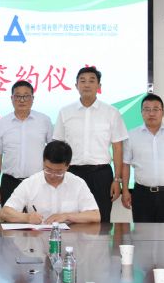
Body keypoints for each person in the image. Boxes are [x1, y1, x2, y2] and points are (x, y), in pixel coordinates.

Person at [53, 66, 128, 223]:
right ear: (76, 85)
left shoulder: (111, 112)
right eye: (83, 81)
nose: (87, 84)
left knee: (102, 219)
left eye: (91, 81)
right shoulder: (65, 112)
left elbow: (117, 148)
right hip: (72, 173)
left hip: (101, 175)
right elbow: (58, 146)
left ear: (99, 86)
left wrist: (117, 179)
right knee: (70, 219)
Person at [121, 94, 164, 229]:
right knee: (142, 236)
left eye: (155, 109)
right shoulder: (132, 135)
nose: (151, 113)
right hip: (142, 194)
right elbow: (126, 164)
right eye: (147, 109)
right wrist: (125, 191)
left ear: (162, 112)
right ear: (141, 113)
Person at [0, 140, 100, 224]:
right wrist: (27, 217)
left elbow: (95, 216)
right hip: (38, 238)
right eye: (48, 169)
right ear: (43, 162)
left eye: (59, 172)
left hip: (70, 238)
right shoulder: (30, 183)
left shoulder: (78, 183)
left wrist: (67, 216)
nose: (52, 175)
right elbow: (4, 213)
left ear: (67, 166)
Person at [0, 80, 53, 207]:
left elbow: (53, 152)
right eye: (18, 96)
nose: (22, 100)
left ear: (32, 98)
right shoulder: (3, 123)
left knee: (39, 218)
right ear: (12, 98)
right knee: (9, 218)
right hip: (10, 183)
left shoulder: (44, 121)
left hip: (38, 182)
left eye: (26, 96)